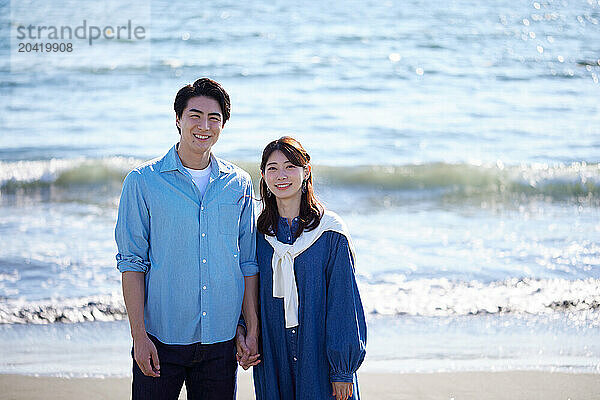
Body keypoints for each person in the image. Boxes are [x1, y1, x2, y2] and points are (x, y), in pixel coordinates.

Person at [115, 77, 260, 400]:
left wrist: (251, 329)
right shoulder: (142, 182)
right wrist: (139, 336)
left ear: (224, 124)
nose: (204, 126)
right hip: (161, 341)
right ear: (178, 120)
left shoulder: (239, 183)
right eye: (195, 115)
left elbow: (248, 262)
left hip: (221, 341)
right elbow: (132, 263)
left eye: (214, 118)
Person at [241, 136, 367, 400]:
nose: (281, 175)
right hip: (273, 356)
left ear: (306, 171)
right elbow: (246, 291)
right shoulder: (257, 236)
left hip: (320, 360)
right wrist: (243, 332)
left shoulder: (330, 233)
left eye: (289, 166)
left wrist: (342, 371)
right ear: (263, 176)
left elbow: (344, 305)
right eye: (272, 169)